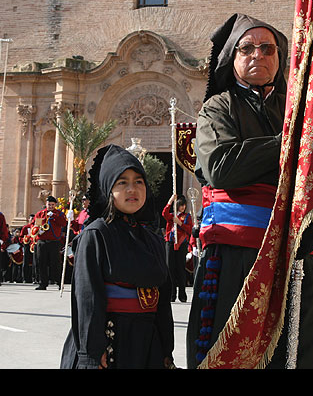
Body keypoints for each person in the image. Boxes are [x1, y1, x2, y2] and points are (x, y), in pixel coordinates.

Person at [187, 13, 313, 369]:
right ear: (232, 59)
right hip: (236, 256)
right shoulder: (218, 108)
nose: (258, 55)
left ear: (280, 59)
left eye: (267, 48)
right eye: (247, 48)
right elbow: (222, 168)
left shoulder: (298, 112)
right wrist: (287, 145)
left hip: (298, 252)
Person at [60, 144, 174, 369]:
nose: (132, 189)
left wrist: (165, 348)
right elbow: (87, 298)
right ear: (108, 189)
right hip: (110, 343)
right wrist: (93, 351)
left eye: (139, 182)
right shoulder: (96, 235)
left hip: (147, 342)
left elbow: (163, 301)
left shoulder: (154, 240)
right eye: (122, 182)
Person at [162, 194, 193, 303]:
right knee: (170, 268)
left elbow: (190, 229)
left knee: (181, 269)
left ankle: (182, 295)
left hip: (181, 244)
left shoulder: (187, 217)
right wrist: (170, 201)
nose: (182, 207)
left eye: (184, 205)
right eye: (181, 205)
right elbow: (164, 213)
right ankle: (171, 294)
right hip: (170, 243)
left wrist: (179, 223)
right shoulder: (171, 215)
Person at [33, 195, 67, 290]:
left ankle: (59, 282)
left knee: (55, 263)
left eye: (52, 205)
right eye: (49, 204)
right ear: (46, 204)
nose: (50, 206)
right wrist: (38, 230)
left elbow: (63, 223)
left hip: (54, 241)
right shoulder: (40, 214)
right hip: (42, 241)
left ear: (55, 205)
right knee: (41, 262)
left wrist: (54, 216)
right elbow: (36, 224)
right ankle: (42, 283)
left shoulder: (59, 214)